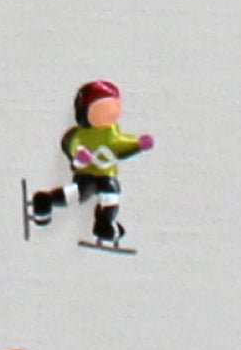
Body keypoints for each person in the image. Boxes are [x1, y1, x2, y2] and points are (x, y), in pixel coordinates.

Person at [30, 81, 153, 246]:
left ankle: (105, 224)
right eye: (104, 108)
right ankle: (45, 201)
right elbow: (73, 143)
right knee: (77, 194)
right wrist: (79, 154)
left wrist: (137, 144)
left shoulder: (111, 132)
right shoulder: (82, 134)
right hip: (86, 174)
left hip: (106, 175)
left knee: (111, 193)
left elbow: (120, 143)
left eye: (115, 106)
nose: (113, 112)